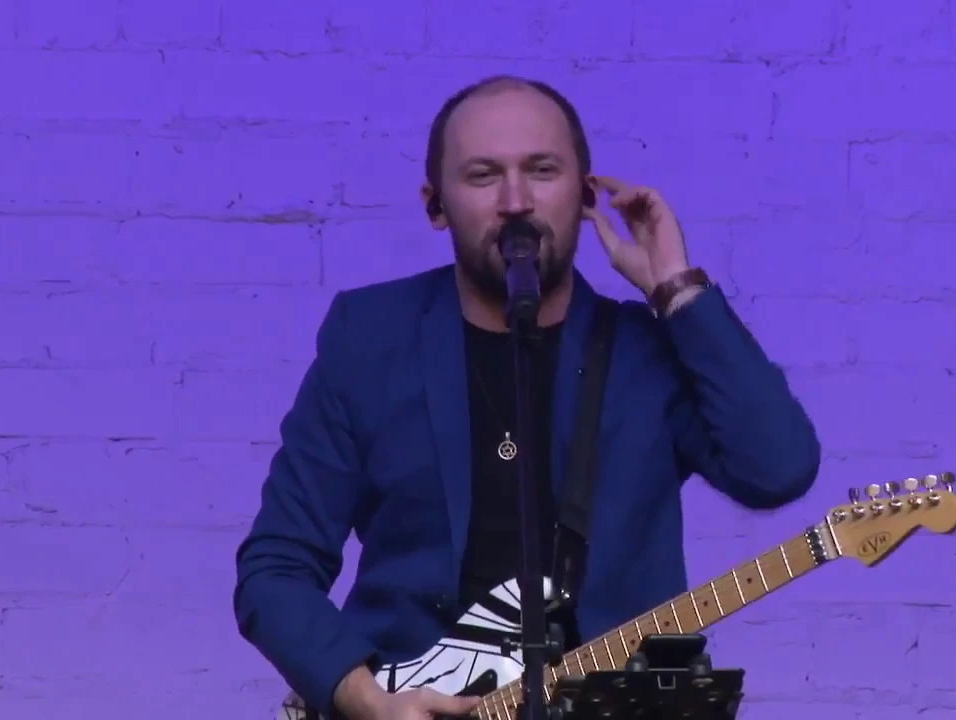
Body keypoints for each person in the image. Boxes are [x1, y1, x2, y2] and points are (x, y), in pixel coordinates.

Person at [233, 75, 822, 720]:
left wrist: (677, 290)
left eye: (542, 170)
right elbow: (277, 567)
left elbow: (779, 468)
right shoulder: (370, 339)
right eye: (483, 175)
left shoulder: (646, 352)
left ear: (585, 194)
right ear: (436, 206)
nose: (516, 202)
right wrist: (366, 698)